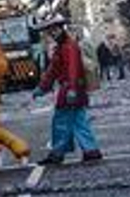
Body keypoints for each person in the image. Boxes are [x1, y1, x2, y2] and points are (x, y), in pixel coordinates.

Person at [35, 25, 102, 165]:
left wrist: (71, 89)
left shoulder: (67, 47)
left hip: (69, 90)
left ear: (61, 29)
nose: (53, 34)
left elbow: (72, 69)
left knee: (61, 122)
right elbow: (53, 70)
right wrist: (42, 87)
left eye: (54, 30)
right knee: (79, 121)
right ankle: (91, 151)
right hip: (75, 89)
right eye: (50, 32)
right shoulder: (65, 46)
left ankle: (57, 154)